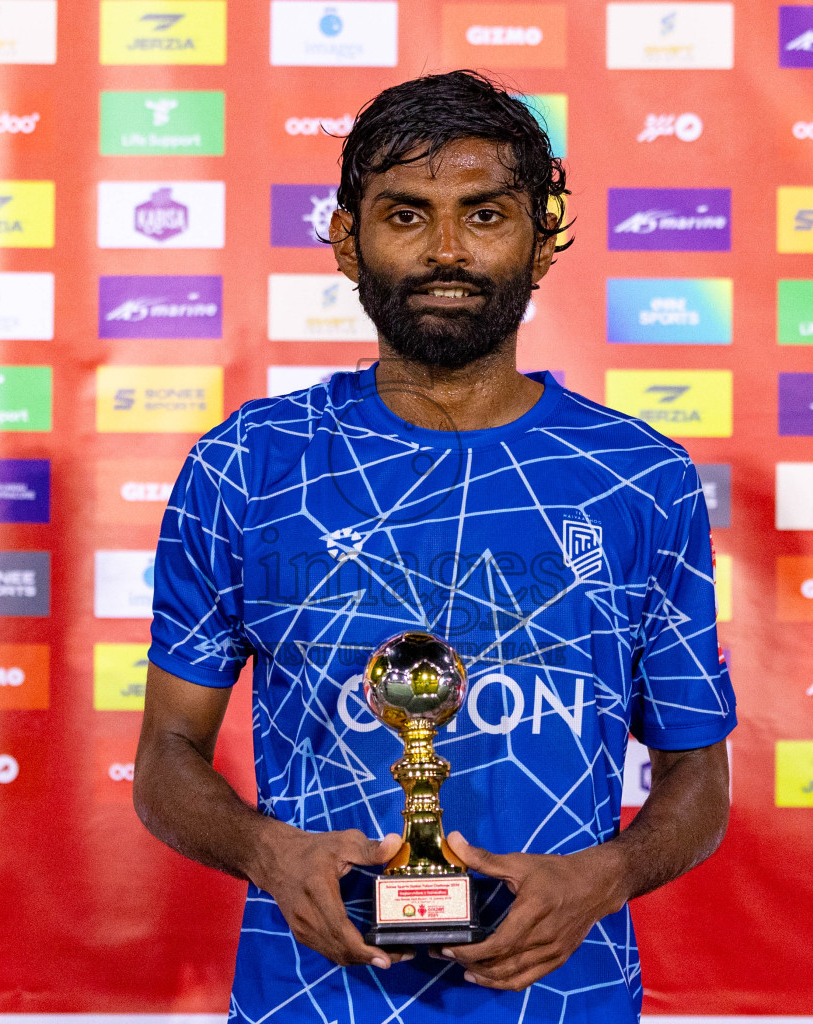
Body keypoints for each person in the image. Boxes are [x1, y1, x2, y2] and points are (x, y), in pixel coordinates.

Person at [133, 70, 736, 1023]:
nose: (447, 250)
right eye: (406, 215)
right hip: (313, 999)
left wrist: (605, 876)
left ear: (543, 242)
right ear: (346, 240)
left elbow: (698, 775)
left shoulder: (641, 475)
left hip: (559, 1001)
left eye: (485, 214)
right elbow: (166, 756)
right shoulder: (245, 464)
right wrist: (268, 853)